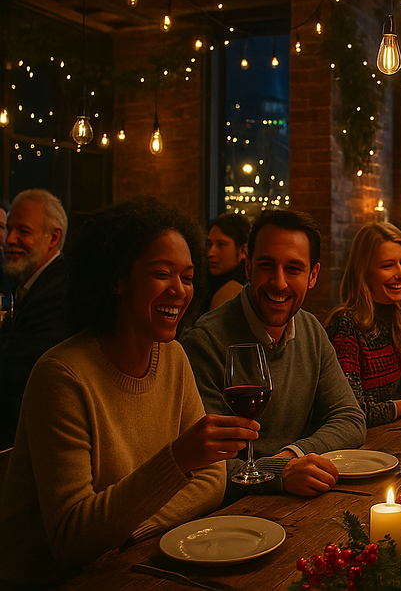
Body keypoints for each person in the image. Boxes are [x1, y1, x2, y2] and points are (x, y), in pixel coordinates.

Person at [0, 197, 255, 588]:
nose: (179, 291)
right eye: (161, 273)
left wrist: (131, 535)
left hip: (139, 563)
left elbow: (211, 481)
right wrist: (178, 459)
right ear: (117, 280)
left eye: (187, 277)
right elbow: (71, 539)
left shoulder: (172, 356)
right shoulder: (62, 376)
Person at [181, 210, 366, 499]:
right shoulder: (206, 341)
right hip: (233, 516)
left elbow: (350, 418)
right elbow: (210, 467)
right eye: (267, 265)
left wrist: (290, 457)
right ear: (248, 268)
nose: (279, 283)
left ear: (312, 276)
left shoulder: (310, 330)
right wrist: (280, 474)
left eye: (293, 269)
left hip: (302, 502)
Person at [325, 222, 401, 427]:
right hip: (357, 449)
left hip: (390, 438)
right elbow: (354, 411)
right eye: (388, 265)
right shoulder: (346, 326)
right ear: (364, 272)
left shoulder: (399, 318)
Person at [0, 189, 72, 449]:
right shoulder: (27, 283)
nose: (9, 239)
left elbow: (16, 375)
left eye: (23, 231)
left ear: (53, 238)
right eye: (8, 229)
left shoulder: (59, 292)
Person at [204, 213, 250, 311]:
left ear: (243, 250)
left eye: (221, 245)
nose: (211, 253)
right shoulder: (204, 282)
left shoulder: (241, 291)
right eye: (209, 244)